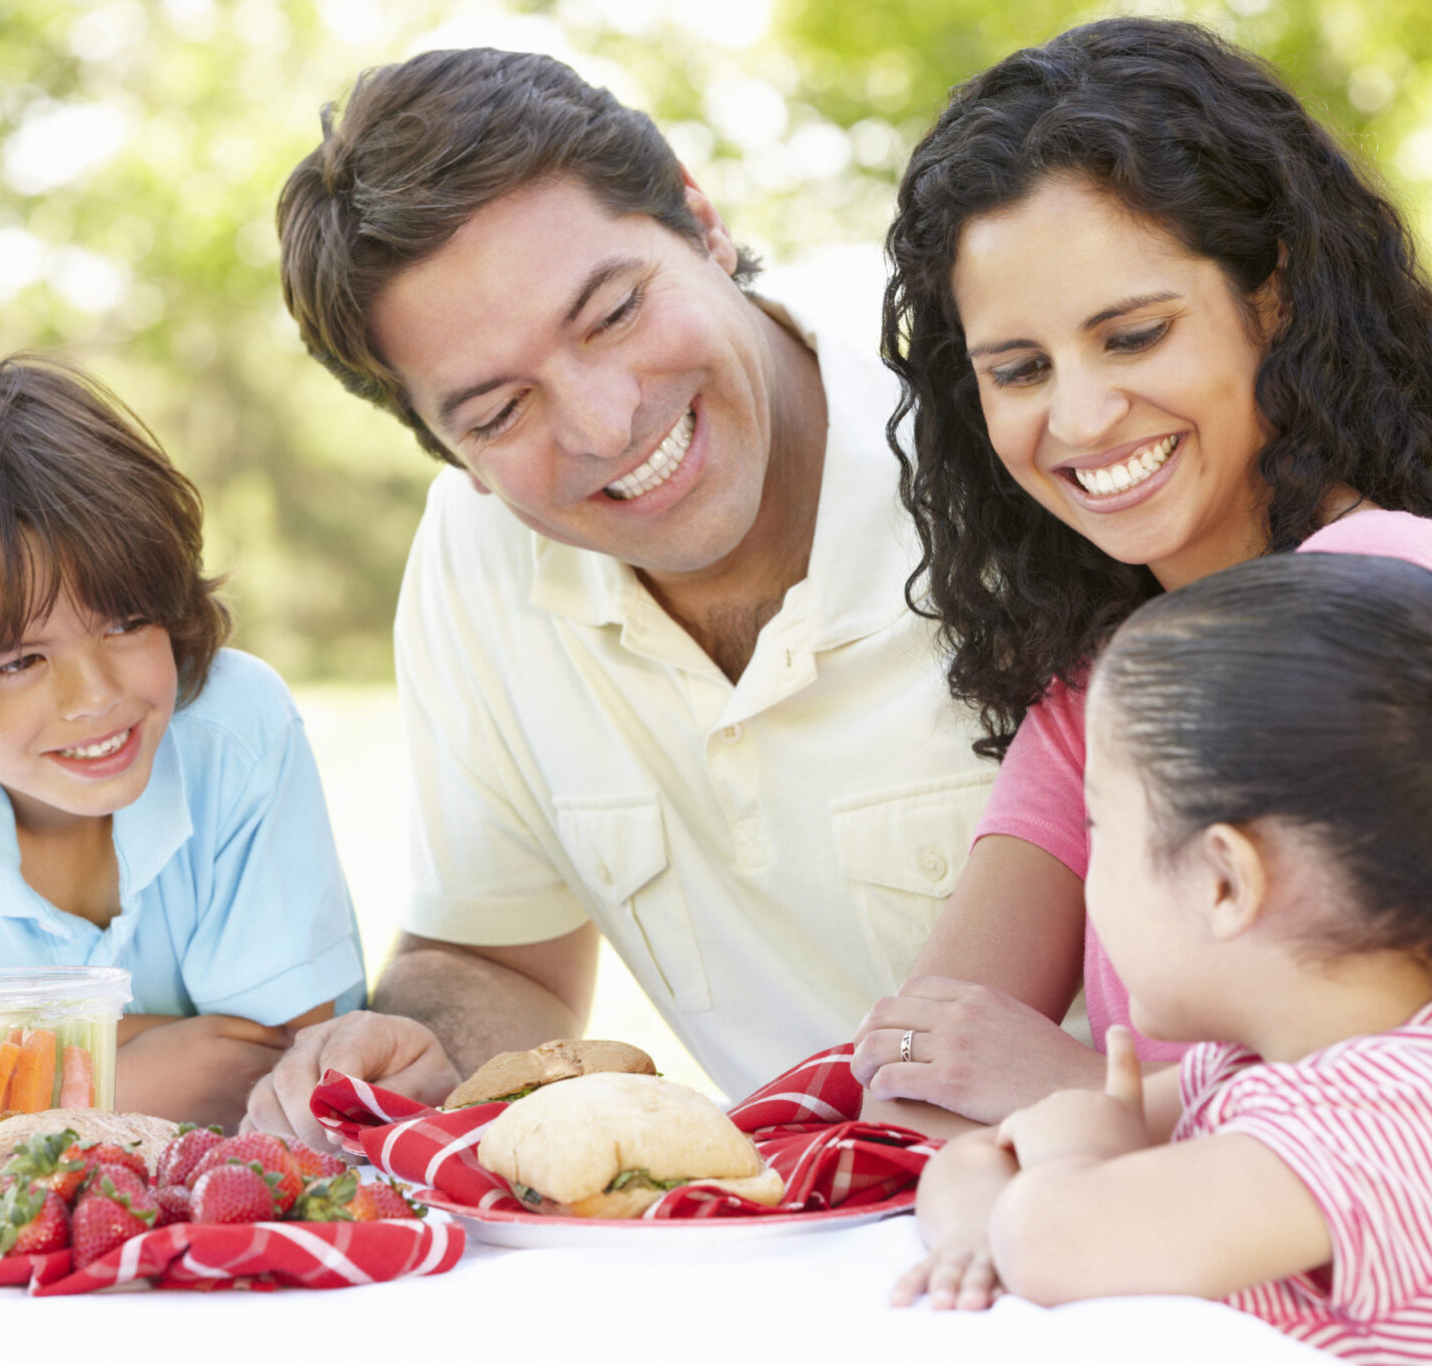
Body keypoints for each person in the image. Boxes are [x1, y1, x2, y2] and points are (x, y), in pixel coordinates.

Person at [852, 18, 1432, 1136]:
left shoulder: (1382, 594)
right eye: (1018, 368)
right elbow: (918, 1073)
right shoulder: (1095, 689)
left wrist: (1071, 1095)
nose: (1078, 415)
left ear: (1272, 299)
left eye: (1132, 336)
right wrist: (928, 1055)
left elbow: (1411, 1104)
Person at [247, 48, 995, 1138]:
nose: (604, 424)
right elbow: (496, 956)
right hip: (803, 1251)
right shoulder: (478, 555)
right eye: (500, 411)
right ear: (451, 454)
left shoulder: (1004, 452)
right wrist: (418, 1045)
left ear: (699, 221)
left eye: (610, 313)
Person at [893, 552, 1432, 1366]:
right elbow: (969, 1169)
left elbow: (1053, 1235)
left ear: (1226, 881)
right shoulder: (1274, 1065)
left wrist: (1065, 1164)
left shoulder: (1412, 1114)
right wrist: (980, 1236)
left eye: (1099, 830)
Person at [0, 357, 368, 1136]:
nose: (96, 696)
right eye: (19, 661)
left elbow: (268, 1072)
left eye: (125, 622)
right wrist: (146, 1056)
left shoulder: (232, 732)